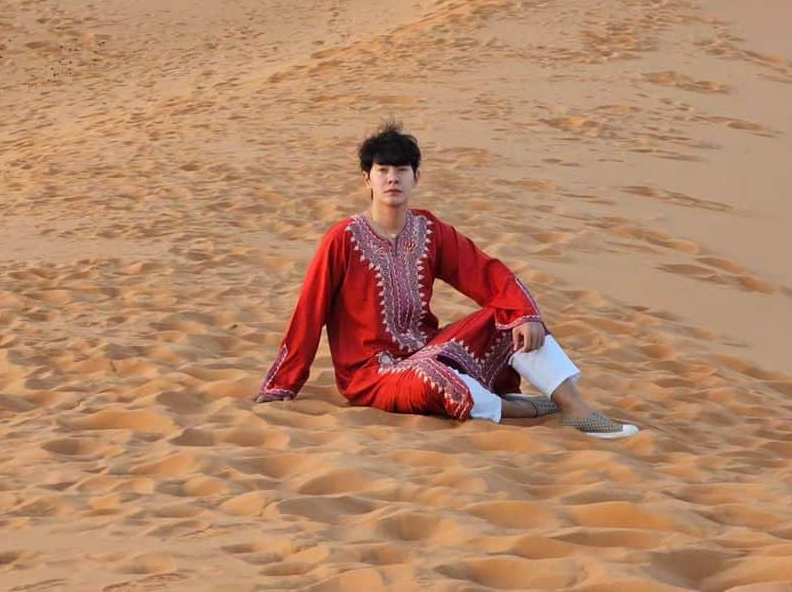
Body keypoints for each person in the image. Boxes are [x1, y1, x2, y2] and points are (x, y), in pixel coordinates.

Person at [253, 123, 641, 438]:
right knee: (432, 379)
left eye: (401, 171)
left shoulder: (430, 230)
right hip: (373, 375)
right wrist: (283, 386)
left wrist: (526, 314)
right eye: (383, 171)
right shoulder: (343, 239)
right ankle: (511, 408)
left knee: (510, 313)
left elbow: (486, 273)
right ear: (366, 180)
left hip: (429, 349)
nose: (392, 180)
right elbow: (310, 311)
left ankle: (572, 405)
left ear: (416, 177)